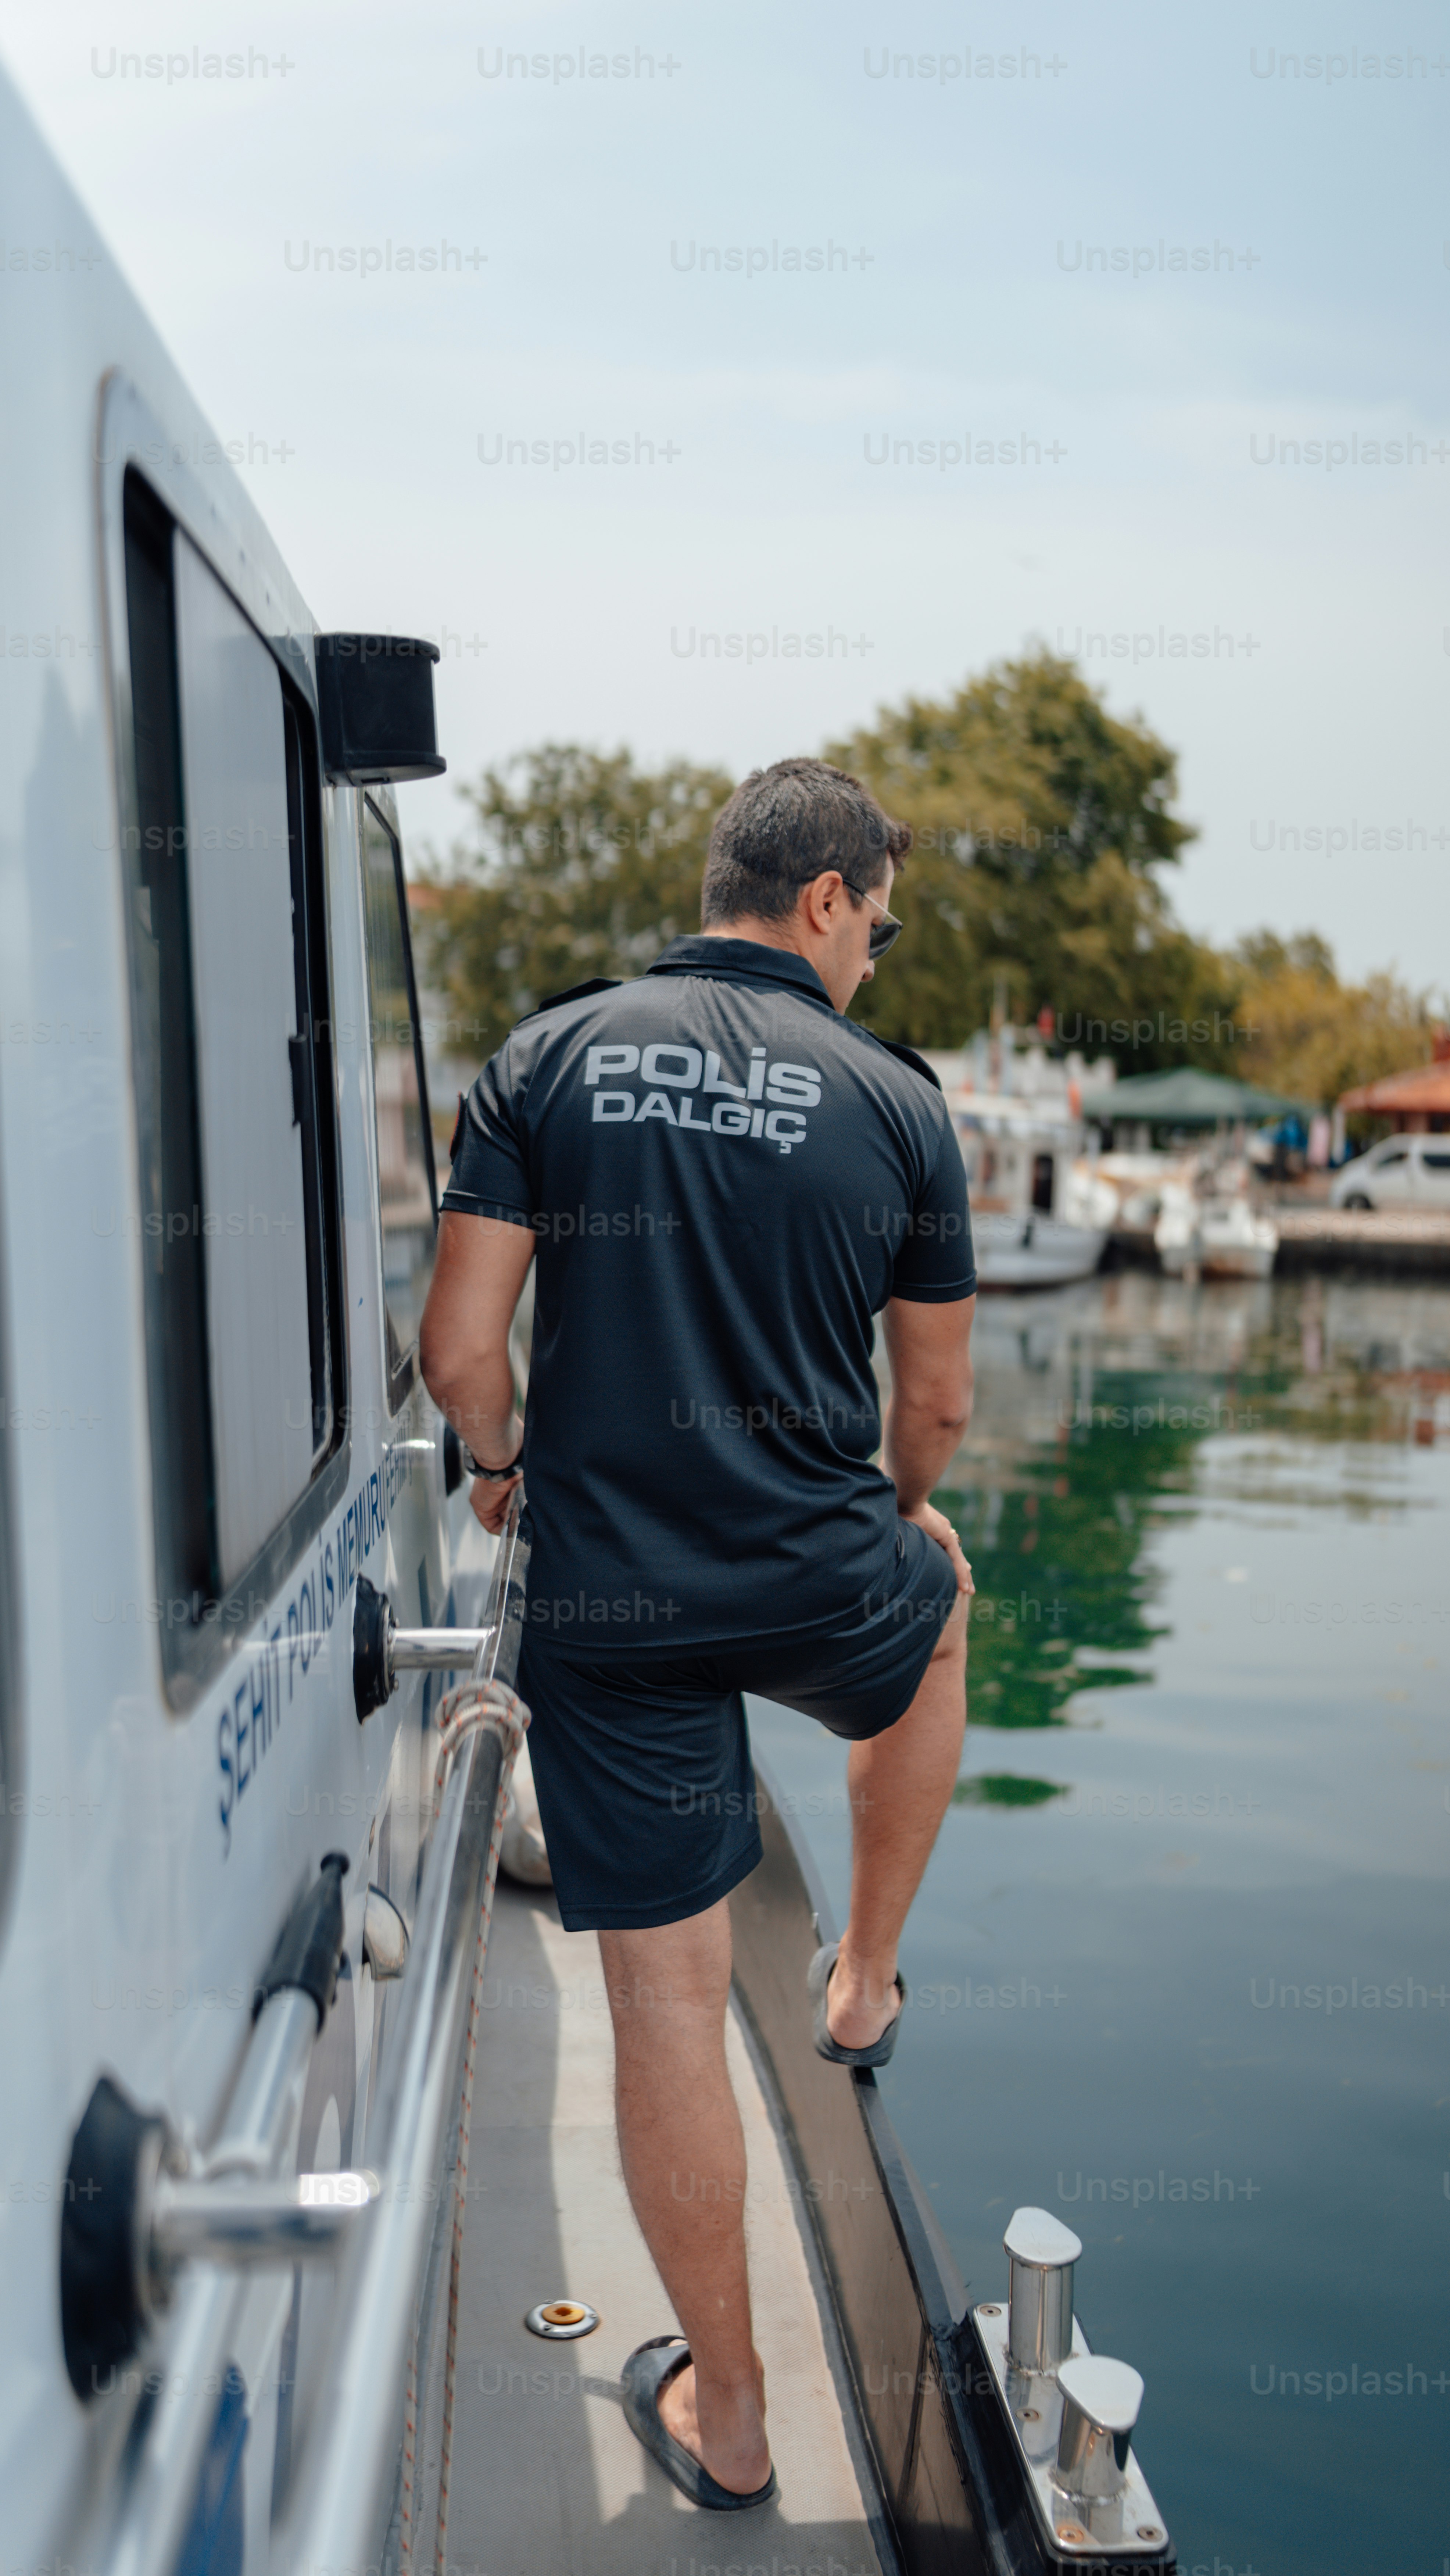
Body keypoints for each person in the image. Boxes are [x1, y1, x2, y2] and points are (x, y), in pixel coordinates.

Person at [419, 757, 976, 2511]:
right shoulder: (896, 1097)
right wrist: (884, 1512)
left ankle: (729, 2422)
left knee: (664, 1998)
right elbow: (939, 1408)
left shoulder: (550, 1050)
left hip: (611, 1594)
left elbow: (457, 1353)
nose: (874, 954)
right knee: (944, 1593)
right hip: (815, 1569)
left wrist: (506, 1470)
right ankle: (866, 1976)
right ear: (823, 902)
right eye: (875, 922)